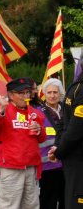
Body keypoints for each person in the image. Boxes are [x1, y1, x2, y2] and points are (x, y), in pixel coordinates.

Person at [0, 77, 46, 209]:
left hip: (31, 166)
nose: (25, 96)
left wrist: (39, 130)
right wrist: (1, 110)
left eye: (27, 92)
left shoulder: (34, 113)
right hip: (10, 166)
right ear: (11, 95)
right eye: (21, 93)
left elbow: (42, 138)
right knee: (9, 206)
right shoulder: (0, 109)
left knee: (31, 205)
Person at [49, 72, 83, 209]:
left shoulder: (75, 88)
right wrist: (59, 149)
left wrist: (59, 149)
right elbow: (71, 127)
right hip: (77, 159)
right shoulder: (77, 89)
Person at [38, 78, 65, 209]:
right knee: (48, 201)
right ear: (44, 94)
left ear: (61, 94)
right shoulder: (37, 112)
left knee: (66, 199)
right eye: (49, 92)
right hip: (47, 165)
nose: (52, 95)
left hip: (66, 164)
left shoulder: (68, 110)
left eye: (55, 92)